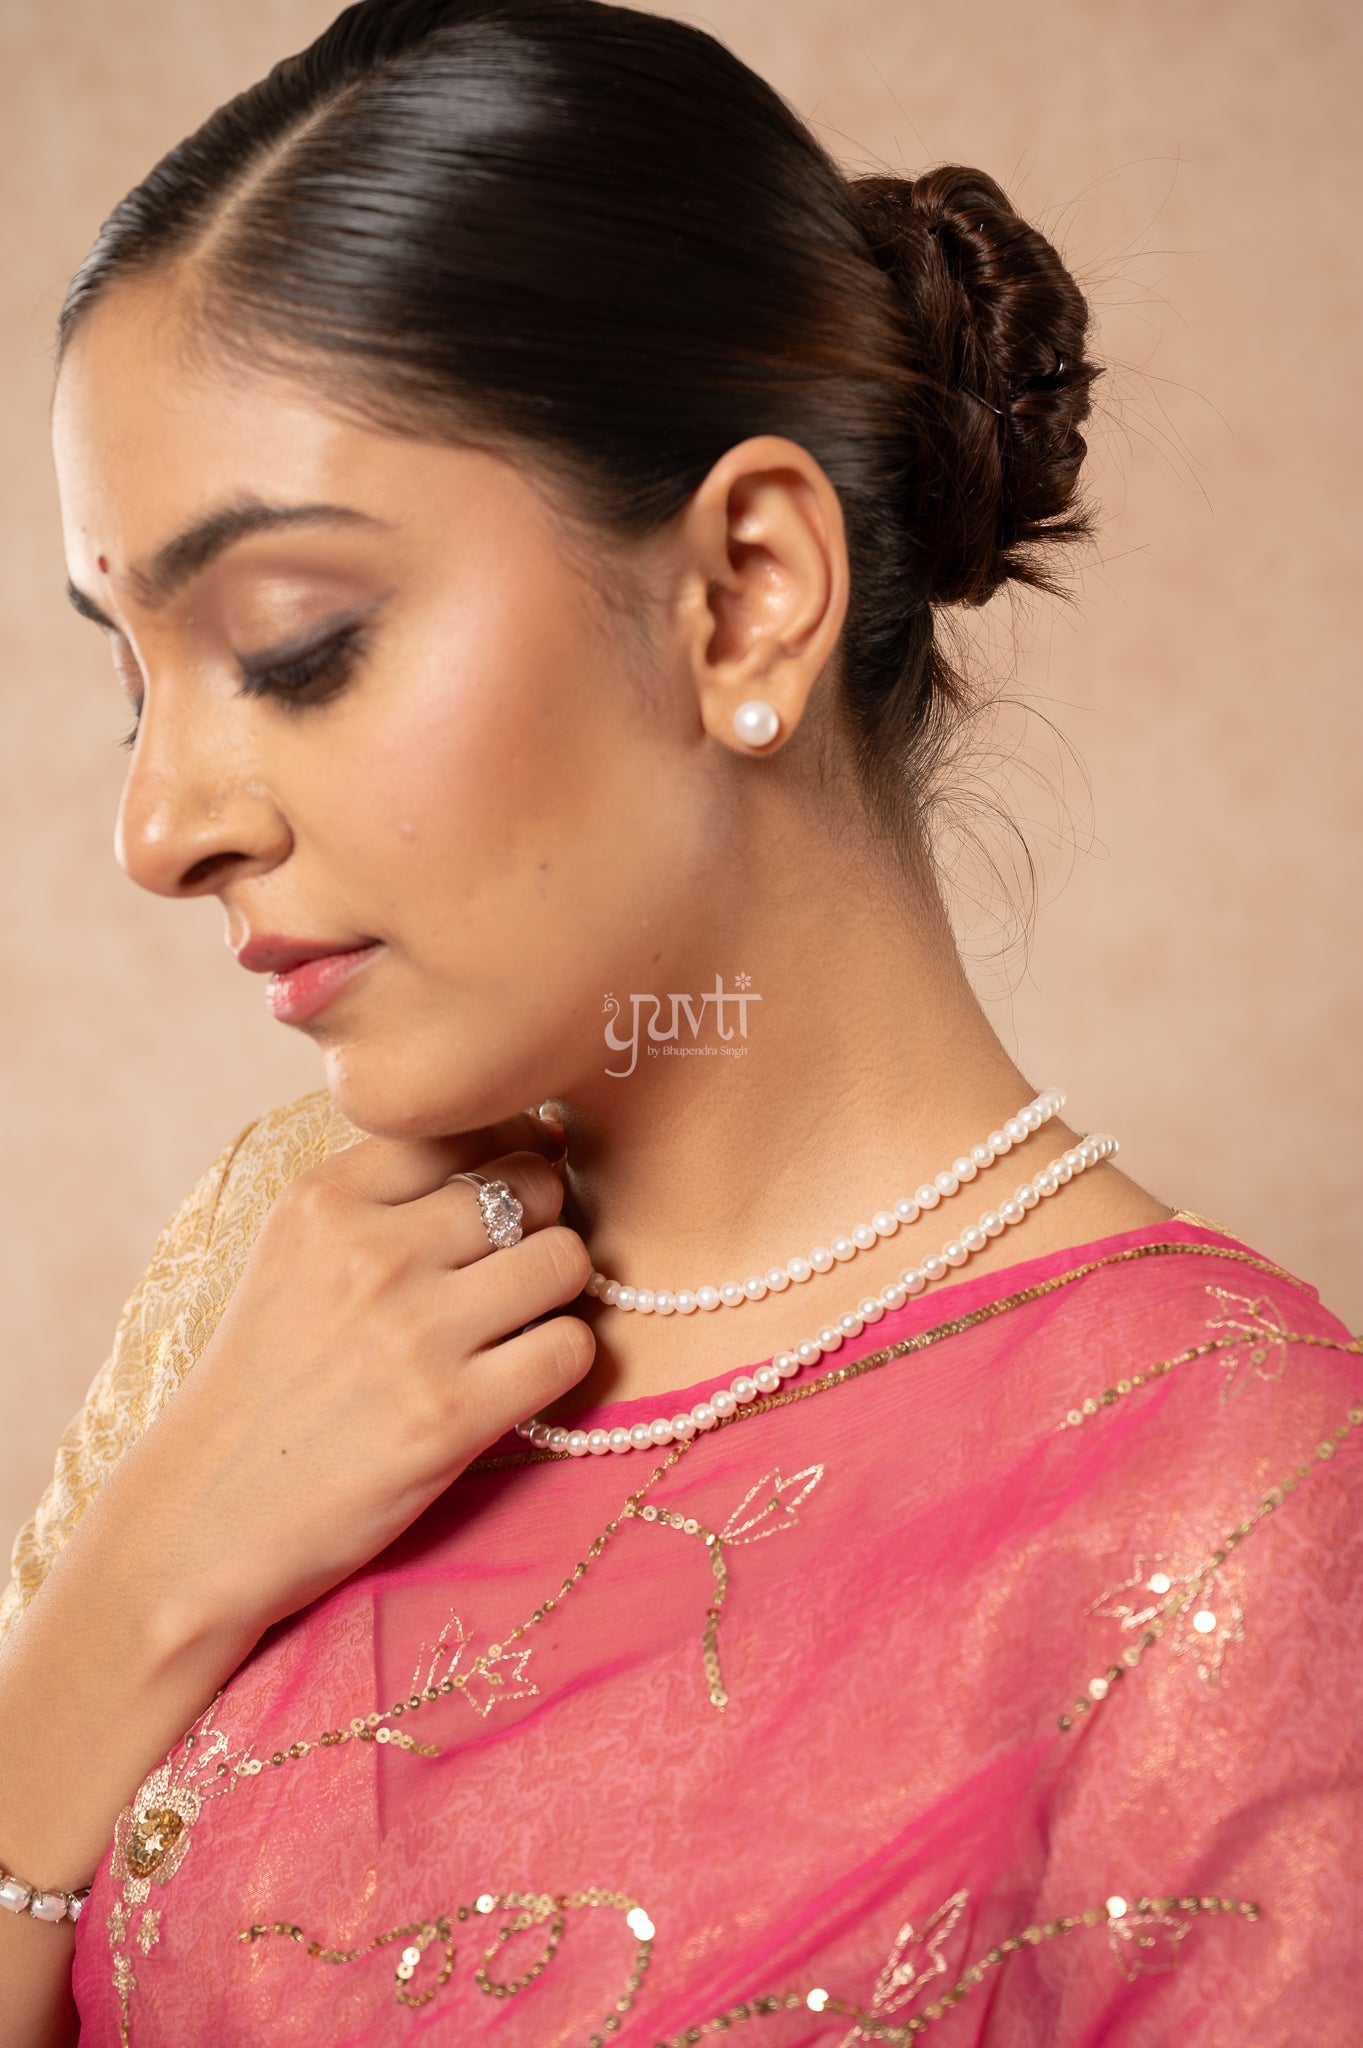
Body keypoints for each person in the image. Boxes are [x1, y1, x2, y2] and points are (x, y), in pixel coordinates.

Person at [1, 0, 1358, 2040]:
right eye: (136, 681)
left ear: (744, 591)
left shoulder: (1244, 1518)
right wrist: (125, 1608)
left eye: (294, 644)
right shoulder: (284, 1272)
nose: (158, 828)